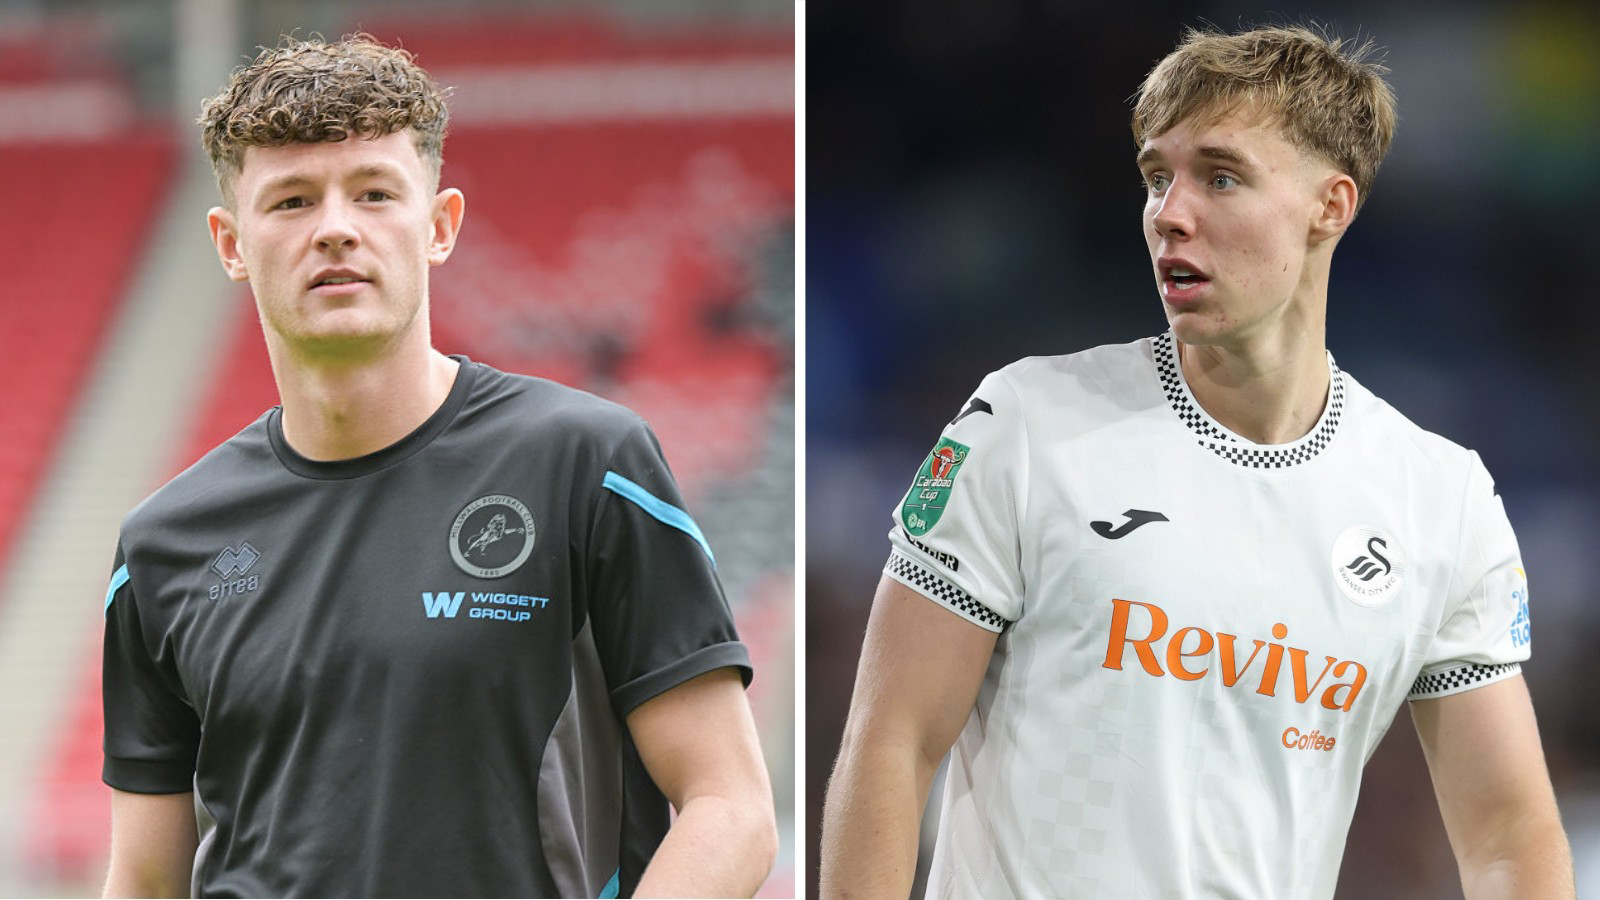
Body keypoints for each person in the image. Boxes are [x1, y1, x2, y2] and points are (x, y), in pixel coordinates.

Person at [819, 23, 1573, 900]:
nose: (1169, 213)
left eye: (1220, 177)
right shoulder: (1024, 425)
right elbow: (891, 743)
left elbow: (1509, 835)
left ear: (1330, 206)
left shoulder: (1441, 500)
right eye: (1156, 177)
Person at [100, 34, 775, 898]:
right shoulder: (161, 545)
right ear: (231, 244)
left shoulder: (588, 464)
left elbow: (730, 808)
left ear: (440, 226)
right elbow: (145, 880)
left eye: (375, 193)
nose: (335, 228)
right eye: (293, 201)